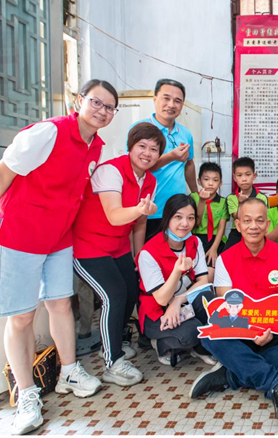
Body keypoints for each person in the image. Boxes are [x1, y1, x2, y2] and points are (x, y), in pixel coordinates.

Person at [0, 79, 115, 435]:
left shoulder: (96, 146)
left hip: (58, 236)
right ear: (79, 100)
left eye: (109, 107)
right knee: (22, 317)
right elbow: (0, 173)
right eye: (96, 102)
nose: (102, 111)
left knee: (60, 304)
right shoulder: (48, 133)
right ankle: (26, 394)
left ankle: (68, 371)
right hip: (17, 232)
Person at [190, 198, 278, 424]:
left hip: (275, 330)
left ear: (267, 224)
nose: (253, 226)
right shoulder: (226, 259)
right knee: (209, 335)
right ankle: (276, 381)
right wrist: (252, 332)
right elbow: (227, 308)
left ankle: (230, 375)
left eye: (259, 220)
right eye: (247, 221)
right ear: (238, 225)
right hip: (241, 331)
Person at [72, 122, 165, 386]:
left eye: (154, 149)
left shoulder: (150, 180)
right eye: (142, 146)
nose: (147, 153)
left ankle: (113, 340)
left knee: (131, 292)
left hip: (119, 246)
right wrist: (140, 209)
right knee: (113, 295)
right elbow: (115, 216)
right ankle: (112, 363)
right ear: (130, 146)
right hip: (88, 246)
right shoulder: (110, 171)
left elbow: (140, 223)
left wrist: (139, 257)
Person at [136, 194, 219, 367]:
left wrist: (178, 300)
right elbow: (161, 299)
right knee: (191, 333)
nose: (185, 224)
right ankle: (160, 343)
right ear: (167, 218)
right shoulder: (148, 253)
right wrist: (176, 271)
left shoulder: (194, 242)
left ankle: (200, 348)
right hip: (157, 312)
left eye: (190, 218)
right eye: (178, 217)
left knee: (210, 301)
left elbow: (203, 281)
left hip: (182, 304)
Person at [135, 79, 198, 241]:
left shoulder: (185, 133)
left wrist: (195, 194)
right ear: (155, 99)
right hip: (149, 210)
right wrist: (171, 157)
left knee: (177, 254)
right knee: (149, 253)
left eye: (177, 101)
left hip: (178, 210)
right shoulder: (141, 129)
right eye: (166, 98)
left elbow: (189, 164)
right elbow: (136, 168)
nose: (171, 105)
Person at [190, 162, 229, 284]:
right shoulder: (193, 198)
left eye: (215, 180)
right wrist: (202, 201)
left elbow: (222, 227)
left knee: (210, 275)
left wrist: (214, 248)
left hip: (215, 240)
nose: (211, 183)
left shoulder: (223, 202)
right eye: (206, 179)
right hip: (196, 239)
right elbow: (195, 223)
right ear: (199, 181)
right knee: (194, 274)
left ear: (220, 183)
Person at [223, 157, 269, 251]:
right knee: (226, 254)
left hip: (256, 231)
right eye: (239, 175)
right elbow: (236, 216)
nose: (244, 179)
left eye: (248, 174)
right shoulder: (231, 198)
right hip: (237, 232)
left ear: (254, 176)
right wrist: (241, 203)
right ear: (234, 177)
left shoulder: (262, 197)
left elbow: (263, 218)